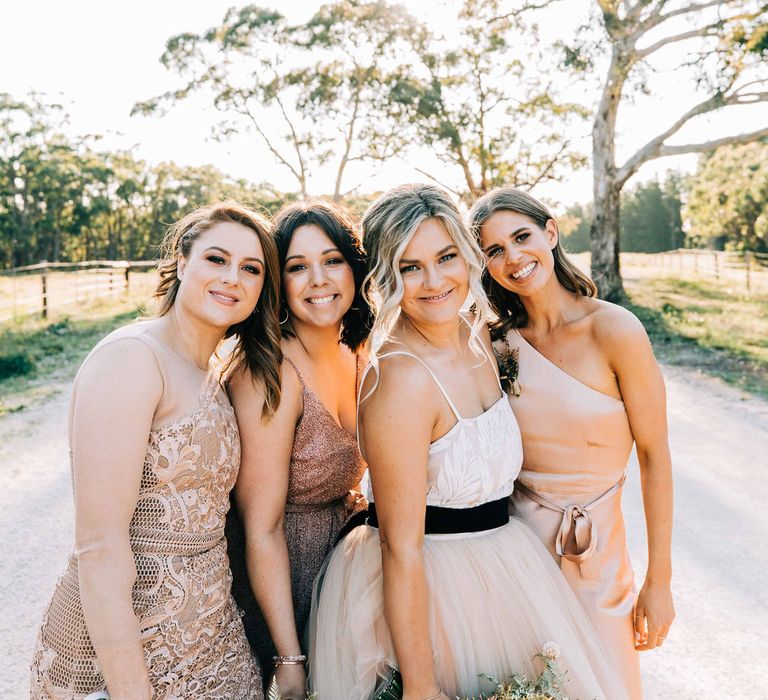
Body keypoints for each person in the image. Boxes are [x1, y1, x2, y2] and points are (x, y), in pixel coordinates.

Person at [308, 184, 627, 700]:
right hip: (432, 590)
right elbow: (400, 544)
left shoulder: (479, 334)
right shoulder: (400, 381)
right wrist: (420, 684)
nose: (434, 281)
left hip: (508, 565)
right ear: (387, 278)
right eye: (410, 268)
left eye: (447, 257)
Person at [29, 202, 282, 700]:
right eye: (216, 259)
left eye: (250, 269)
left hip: (213, 634)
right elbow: (99, 546)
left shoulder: (213, 368)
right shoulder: (132, 358)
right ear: (182, 262)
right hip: (126, 651)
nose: (233, 277)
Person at [470, 187, 675, 699]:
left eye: (522, 236)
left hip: (599, 556)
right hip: (513, 550)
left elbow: (655, 456)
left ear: (552, 232)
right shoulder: (494, 344)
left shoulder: (614, 329)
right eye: (494, 250)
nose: (513, 258)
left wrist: (660, 582)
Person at [225, 199, 372, 697]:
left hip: (345, 569)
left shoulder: (359, 349)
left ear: (354, 268)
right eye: (297, 267)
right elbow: (259, 528)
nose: (318, 280)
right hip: (284, 589)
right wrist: (289, 657)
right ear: (278, 284)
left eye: (332, 260)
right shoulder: (270, 373)